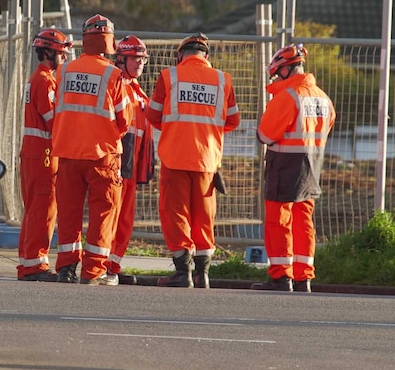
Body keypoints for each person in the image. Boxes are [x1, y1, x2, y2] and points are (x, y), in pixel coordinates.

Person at [146, 33, 240, 288]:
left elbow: (152, 114)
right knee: (204, 216)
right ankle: (203, 274)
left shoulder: (169, 77)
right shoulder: (223, 80)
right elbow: (233, 120)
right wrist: (208, 131)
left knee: (175, 213)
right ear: (206, 55)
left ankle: (182, 273)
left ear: (180, 55)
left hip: (175, 156)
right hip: (207, 161)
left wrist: (175, 129)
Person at [51, 14, 131, 285]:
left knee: (68, 213)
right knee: (103, 213)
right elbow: (125, 120)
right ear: (109, 43)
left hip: (68, 153)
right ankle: (93, 271)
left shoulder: (64, 70)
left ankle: (65, 268)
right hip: (102, 156)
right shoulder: (113, 74)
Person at [251, 44, 335, 292]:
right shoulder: (322, 98)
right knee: (304, 222)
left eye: (278, 73)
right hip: (312, 167)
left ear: (286, 70)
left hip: (285, 165)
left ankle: (280, 276)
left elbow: (265, 135)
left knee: (279, 221)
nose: (277, 78)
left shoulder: (288, 96)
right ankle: (303, 277)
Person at [16, 29, 73, 282]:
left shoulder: (38, 79)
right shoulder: (45, 81)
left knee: (34, 209)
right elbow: (55, 122)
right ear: (49, 52)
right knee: (43, 209)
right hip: (44, 155)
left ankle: (29, 262)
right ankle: (35, 266)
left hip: (34, 153)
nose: (64, 57)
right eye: (61, 52)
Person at [106, 36, 156, 285]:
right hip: (117, 160)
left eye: (142, 59)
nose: (140, 63)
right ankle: (103, 265)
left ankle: (112, 265)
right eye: (135, 59)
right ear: (121, 59)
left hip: (132, 164)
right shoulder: (116, 84)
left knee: (124, 218)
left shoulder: (137, 90)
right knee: (112, 216)